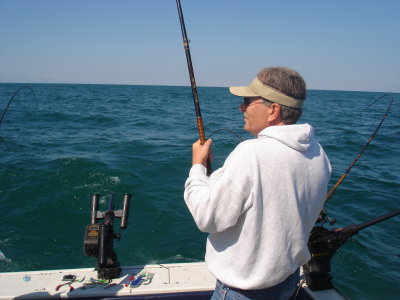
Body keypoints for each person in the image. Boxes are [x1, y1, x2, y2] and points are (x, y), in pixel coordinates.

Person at [184, 66, 331, 300]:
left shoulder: (250, 153)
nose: (241, 107)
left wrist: (198, 167)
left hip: (242, 293)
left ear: (273, 110)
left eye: (247, 101)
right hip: (288, 282)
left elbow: (207, 217)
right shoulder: (318, 153)